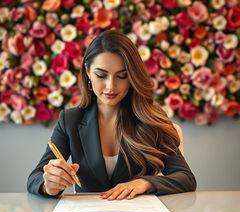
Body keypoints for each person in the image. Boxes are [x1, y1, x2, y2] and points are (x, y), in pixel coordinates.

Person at [27, 30, 196, 200]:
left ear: (132, 76)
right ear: (87, 71)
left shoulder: (150, 118)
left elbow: (185, 177)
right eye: (101, 75)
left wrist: (145, 183)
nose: (110, 86)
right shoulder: (70, 120)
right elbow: (34, 178)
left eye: (122, 76)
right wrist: (48, 185)